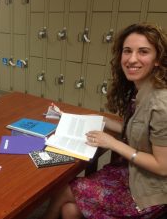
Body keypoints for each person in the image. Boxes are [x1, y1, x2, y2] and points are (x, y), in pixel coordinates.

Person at [42, 23, 167, 219]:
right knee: (70, 210)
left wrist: (112, 143)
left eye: (143, 52)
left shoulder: (161, 104)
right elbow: (137, 130)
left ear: (157, 59)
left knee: (65, 190)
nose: (132, 59)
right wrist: (99, 119)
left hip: (149, 191)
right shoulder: (142, 89)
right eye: (127, 51)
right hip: (132, 172)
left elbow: (162, 166)